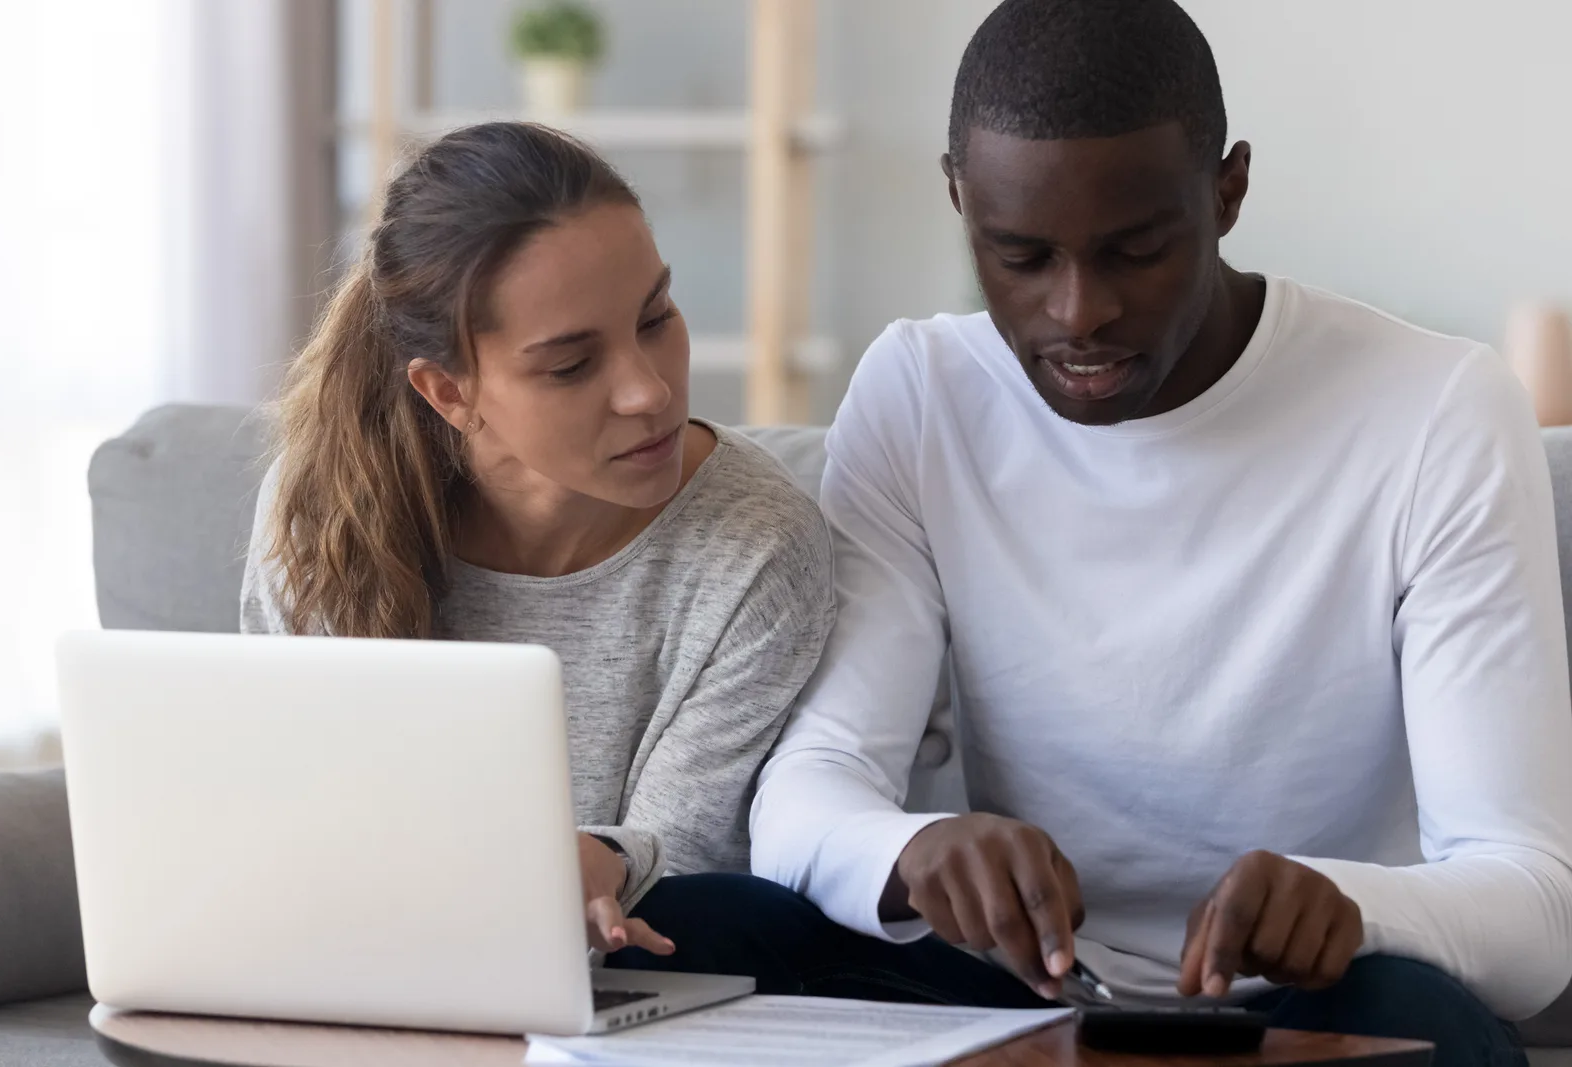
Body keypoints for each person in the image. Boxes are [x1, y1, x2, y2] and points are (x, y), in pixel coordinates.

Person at [635, 1, 1572, 1064]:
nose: (1077, 310)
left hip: (1317, 1000)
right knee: (699, 928)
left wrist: (1354, 906)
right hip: (1017, 990)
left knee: (1429, 1022)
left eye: (1135, 252)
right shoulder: (921, 390)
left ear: (1227, 192)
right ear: (959, 199)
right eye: (1019, 255)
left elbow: (1533, 904)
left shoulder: (1436, 408)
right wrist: (916, 847)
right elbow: (811, 792)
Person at [239, 122, 834, 961]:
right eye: (570, 365)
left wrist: (606, 863)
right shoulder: (323, 514)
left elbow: (690, 861)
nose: (649, 389)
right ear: (449, 390)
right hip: (357, 961)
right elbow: (296, 815)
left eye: (656, 316)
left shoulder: (757, 545)